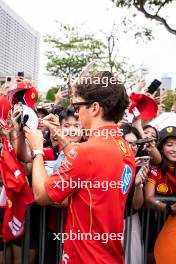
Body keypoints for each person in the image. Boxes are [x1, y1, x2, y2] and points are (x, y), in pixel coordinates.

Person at [23, 71, 136, 264]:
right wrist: (62, 137)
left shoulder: (87, 152)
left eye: (77, 106)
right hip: (109, 255)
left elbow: (42, 195)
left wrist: (37, 150)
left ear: (94, 108)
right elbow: (90, 176)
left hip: (85, 258)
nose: (76, 113)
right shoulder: (124, 146)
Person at [145, 126, 176, 264]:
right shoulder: (155, 169)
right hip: (154, 221)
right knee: (154, 254)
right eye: (169, 145)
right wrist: (168, 208)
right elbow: (149, 199)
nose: (174, 149)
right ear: (161, 148)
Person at [121, 124, 149, 264]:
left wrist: (138, 185)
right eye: (129, 143)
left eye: (135, 143)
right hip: (108, 223)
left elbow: (136, 205)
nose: (133, 147)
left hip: (130, 221)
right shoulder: (107, 165)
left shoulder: (140, 167)